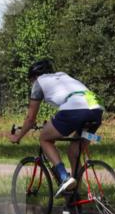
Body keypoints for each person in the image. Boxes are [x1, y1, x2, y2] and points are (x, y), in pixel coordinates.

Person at [9, 60, 104, 197]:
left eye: (31, 81)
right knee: (74, 152)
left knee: (44, 138)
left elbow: (30, 119)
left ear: (34, 76)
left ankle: (64, 177)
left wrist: (18, 136)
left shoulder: (39, 82)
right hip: (96, 108)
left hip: (75, 109)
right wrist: (93, 136)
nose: (32, 84)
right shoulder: (63, 76)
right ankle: (74, 199)